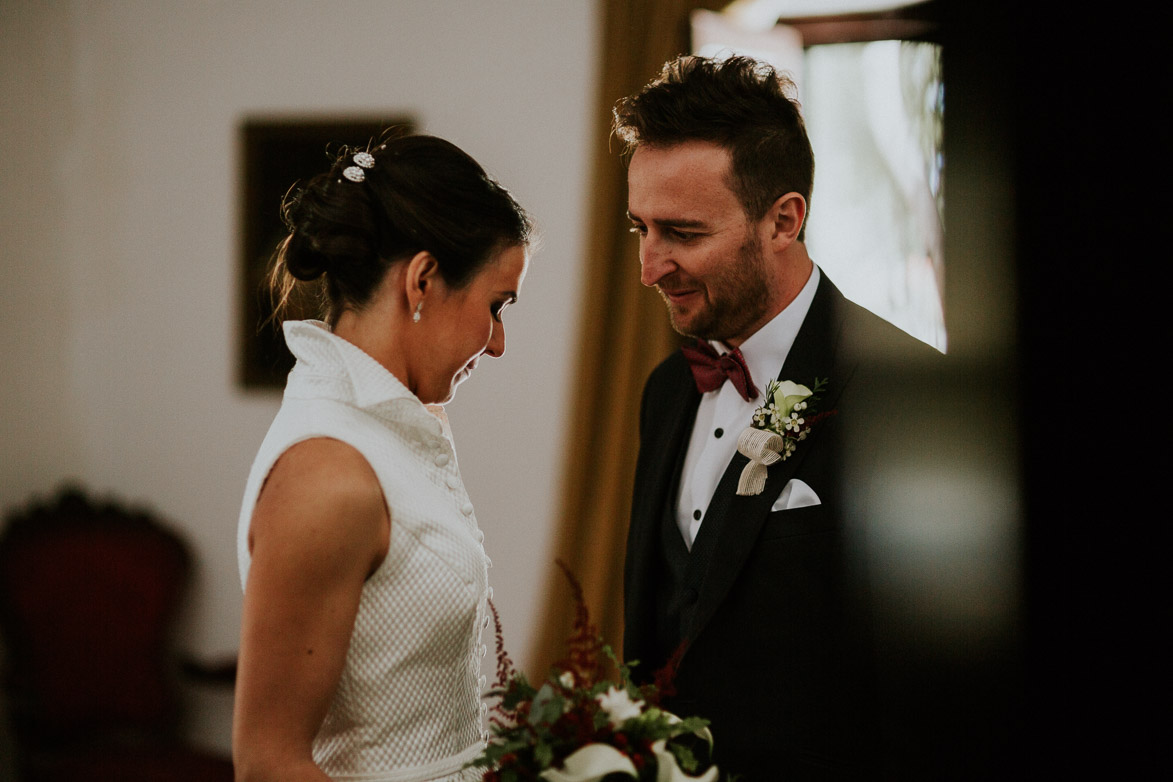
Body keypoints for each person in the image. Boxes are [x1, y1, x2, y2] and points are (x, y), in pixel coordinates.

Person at [616, 56, 941, 779]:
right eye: (639, 227)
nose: (648, 266)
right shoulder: (667, 390)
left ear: (783, 220)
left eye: (683, 233)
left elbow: (936, 682)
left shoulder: (900, 391)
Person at [233, 133, 532, 782]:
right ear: (422, 279)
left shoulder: (394, 430)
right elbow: (268, 765)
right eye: (496, 305)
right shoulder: (329, 474)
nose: (499, 342)